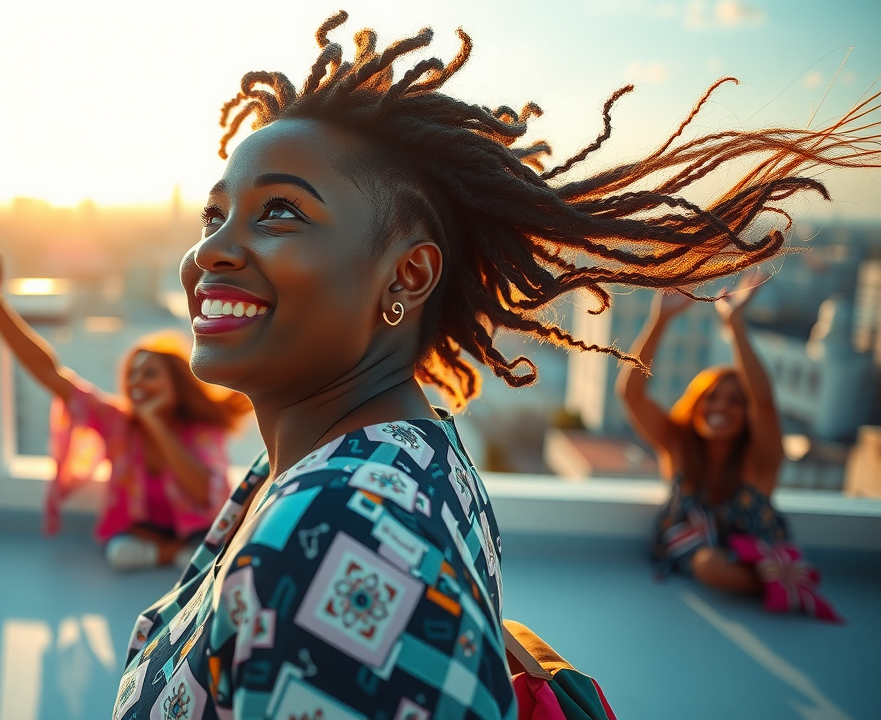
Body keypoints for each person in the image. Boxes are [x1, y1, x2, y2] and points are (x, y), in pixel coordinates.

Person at [109, 12, 877, 720]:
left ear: (406, 278)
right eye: (216, 214)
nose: (211, 250)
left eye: (281, 211)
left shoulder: (335, 534)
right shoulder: (404, 453)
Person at [0, 247, 250, 570]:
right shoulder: (116, 422)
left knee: (208, 554)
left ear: (176, 383)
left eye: (150, 374)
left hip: (199, 533)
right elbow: (48, 372)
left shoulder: (202, 430)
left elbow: (204, 494)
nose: (138, 383)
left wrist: (155, 423)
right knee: (121, 554)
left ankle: (172, 554)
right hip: (141, 535)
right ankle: (171, 555)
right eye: (132, 375)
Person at [619, 273, 841, 620]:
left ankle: (781, 580)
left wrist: (735, 325)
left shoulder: (760, 460)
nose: (720, 407)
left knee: (711, 565)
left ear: (747, 414)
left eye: (735, 401)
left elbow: (765, 403)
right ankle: (780, 583)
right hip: (700, 566)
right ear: (695, 403)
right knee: (709, 564)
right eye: (711, 397)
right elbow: (631, 394)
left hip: (757, 556)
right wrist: (660, 320)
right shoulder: (678, 445)